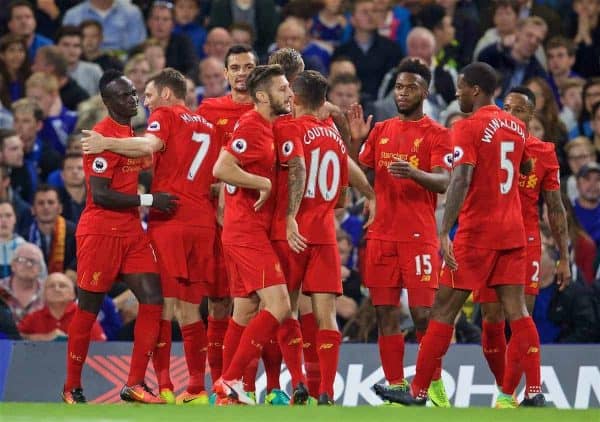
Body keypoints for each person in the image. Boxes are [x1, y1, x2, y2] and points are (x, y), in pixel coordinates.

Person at [373, 62, 542, 408]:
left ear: (475, 90)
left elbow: (460, 179)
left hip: (478, 232)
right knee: (518, 311)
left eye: (461, 87)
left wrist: (444, 229)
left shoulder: (468, 126)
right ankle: (535, 391)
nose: (457, 93)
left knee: (442, 311)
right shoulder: (517, 126)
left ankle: (418, 391)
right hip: (513, 231)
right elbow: (525, 166)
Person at [81, 67, 222, 404]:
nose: (144, 101)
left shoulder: (165, 114)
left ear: (168, 94)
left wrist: (107, 142)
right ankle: (197, 389)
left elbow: (149, 143)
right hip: (202, 222)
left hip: (170, 217)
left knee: (160, 305)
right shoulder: (208, 126)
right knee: (192, 308)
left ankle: (164, 386)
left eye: (148, 94)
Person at [61, 70, 177, 405]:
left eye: (134, 93)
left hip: (129, 230)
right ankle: (71, 387)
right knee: (89, 307)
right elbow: (100, 195)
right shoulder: (99, 138)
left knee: (153, 299)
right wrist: (149, 200)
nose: (134, 99)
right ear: (107, 101)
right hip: (100, 231)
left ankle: (134, 384)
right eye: (125, 96)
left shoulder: (129, 135)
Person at [359, 58, 452, 407]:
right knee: (385, 312)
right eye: (399, 87)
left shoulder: (438, 134)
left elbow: (445, 181)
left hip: (418, 237)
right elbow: (363, 174)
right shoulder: (381, 130)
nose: (402, 93)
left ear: (425, 91)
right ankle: (395, 385)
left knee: (423, 315)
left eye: (410, 87)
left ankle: (434, 381)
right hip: (381, 236)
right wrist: (355, 142)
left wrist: (414, 173)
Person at [473, 86, 571, 402]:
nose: (511, 115)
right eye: (507, 108)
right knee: (490, 320)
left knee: (520, 316)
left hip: (525, 238)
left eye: (519, 110)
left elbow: (555, 208)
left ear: (530, 115)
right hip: (489, 238)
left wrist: (564, 257)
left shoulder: (543, 151)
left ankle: (511, 394)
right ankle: (506, 385)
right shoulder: (488, 144)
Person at [211, 64, 298, 405]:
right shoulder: (252, 125)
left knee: (244, 311)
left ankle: (224, 393)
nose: (289, 93)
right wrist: (262, 182)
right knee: (279, 305)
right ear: (262, 96)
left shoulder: (263, 126)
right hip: (247, 232)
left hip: (243, 229)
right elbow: (221, 168)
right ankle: (231, 379)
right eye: (282, 89)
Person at [276, 70, 350, 404]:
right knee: (326, 316)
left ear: (296, 97)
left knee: (287, 309)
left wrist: (290, 214)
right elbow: (344, 198)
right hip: (325, 233)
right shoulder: (334, 137)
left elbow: (293, 171)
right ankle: (328, 392)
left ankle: (298, 381)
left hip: (293, 231)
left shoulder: (290, 128)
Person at [196, 44, 257, 385]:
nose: (242, 73)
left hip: (256, 220)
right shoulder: (208, 111)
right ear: (226, 73)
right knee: (219, 304)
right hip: (217, 221)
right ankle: (220, 384)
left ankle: (248, 384)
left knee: (257, 305)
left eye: (248, 66)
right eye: (235, 67)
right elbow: (199, 163)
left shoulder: (271, 112)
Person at [332, 0, 402, 101]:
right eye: (364, 12)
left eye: (374, 11)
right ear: (352, 19)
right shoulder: (341, 51)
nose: (370, 16)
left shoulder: (392, 49)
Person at [18, 272, 105, 341]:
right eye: (51, 286)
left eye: (62, 286)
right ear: (44, 294)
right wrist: (44, 338)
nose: (57, 289)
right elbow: (16, 339)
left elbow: (100, 346)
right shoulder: (33, 318)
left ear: (73, 294)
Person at [477, 16, 548, 99]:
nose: (533, 42)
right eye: (529, 35)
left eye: (538, 40)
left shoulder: (538, 73)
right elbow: (481, 59)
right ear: (517, 33)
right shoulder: (497, 54)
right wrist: (501, 45)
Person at [22, 185, 77, 275]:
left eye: (50, 202)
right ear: (32, 209)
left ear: (60, 208)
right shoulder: (25, 237)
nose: (46, 207)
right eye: (41, 203)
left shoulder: (74, 233)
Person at [11, 98, 62, 187]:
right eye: (16, 120)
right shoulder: (5, 153)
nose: (19, 127)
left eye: (26, 121)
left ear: (38, 125)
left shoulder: (50, 158)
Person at [62, 0, 147, 52]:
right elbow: (65, 50)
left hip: (125, 70)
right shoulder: (72, 15)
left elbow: (138, 49)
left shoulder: (132, 13)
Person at [146, 1, 198, 77]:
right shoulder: (142, 46)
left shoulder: (183, 43)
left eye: (165, 19)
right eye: (156, 19)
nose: (160, 23)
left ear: (173, 24)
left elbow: (193, 68)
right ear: (149, 22)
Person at [31, 45, 90, 112]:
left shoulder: (80, 98)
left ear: (50, 68)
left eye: (36, 63)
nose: (33, 68)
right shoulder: (34, 90)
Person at [0, 242, 46, 323]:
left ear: (40, 268)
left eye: (33, 261)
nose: (28, 264)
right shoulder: (1, 288)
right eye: (22, 260)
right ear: (13, 265)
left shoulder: (48, 291)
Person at [56, 25, 104, 97]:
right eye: (66, 45)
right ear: (56, 47)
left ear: (82, 48)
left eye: (76, 46)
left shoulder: (94, 70)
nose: (71, 50)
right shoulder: (48, 71)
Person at [573, 162, 600, 246]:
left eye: (598, 179)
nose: (593, 184)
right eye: (587, 179)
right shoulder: (569, 214)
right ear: (577, 184)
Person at [0, 200, 25, 278]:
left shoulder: (25, 247)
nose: (3, 220)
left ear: (15, 219)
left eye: (8, 215)